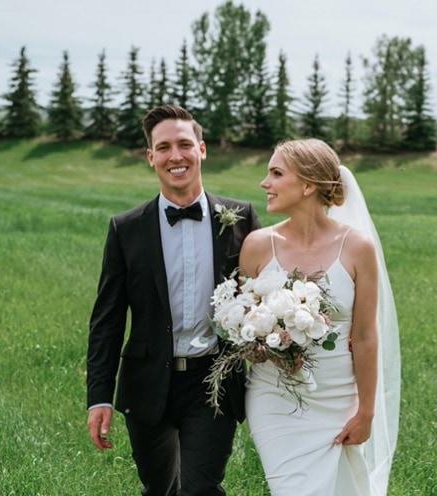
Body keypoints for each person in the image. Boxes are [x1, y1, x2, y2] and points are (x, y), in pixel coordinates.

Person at [86, 104, 261, 496]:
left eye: (184, 144)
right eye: (163, 147)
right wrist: (99, 397)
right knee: (159, 488)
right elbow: (107, 320)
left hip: (212, 382)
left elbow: (264, 294)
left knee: (201, 489)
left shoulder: (240, 217)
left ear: (201, 149)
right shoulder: (126, 228)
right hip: (147, 382)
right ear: (151, 158)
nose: (175, 156)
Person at [237, 139, 401, 494]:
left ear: (308, 185)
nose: (264, 183)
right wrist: (263, 344)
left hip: (338, 398)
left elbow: (365, 336)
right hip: (274, 397)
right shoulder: (256, 246)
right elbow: (242, 326)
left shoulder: (357, 247)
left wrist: (366, 411)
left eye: (276, 173)